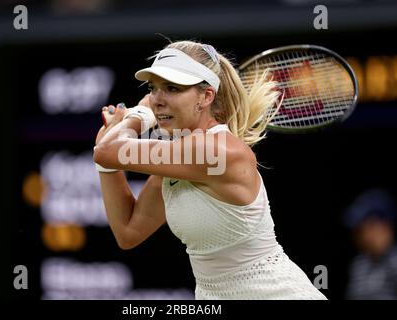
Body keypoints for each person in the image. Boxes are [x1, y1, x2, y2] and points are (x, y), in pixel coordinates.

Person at [93, 40, 327, 300]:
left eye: (172, 88)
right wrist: (106, 163)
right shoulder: (180, 157)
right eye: (153, 89)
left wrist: (139, 115)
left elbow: (108, 150)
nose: (157, 100)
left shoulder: (215, 151)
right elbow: (128, 232)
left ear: (206, 96)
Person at [344, 188, 397, 300]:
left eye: (370, 226)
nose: (362, 235)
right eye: (358, 230)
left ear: (385, 226)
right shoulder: (359, 265)